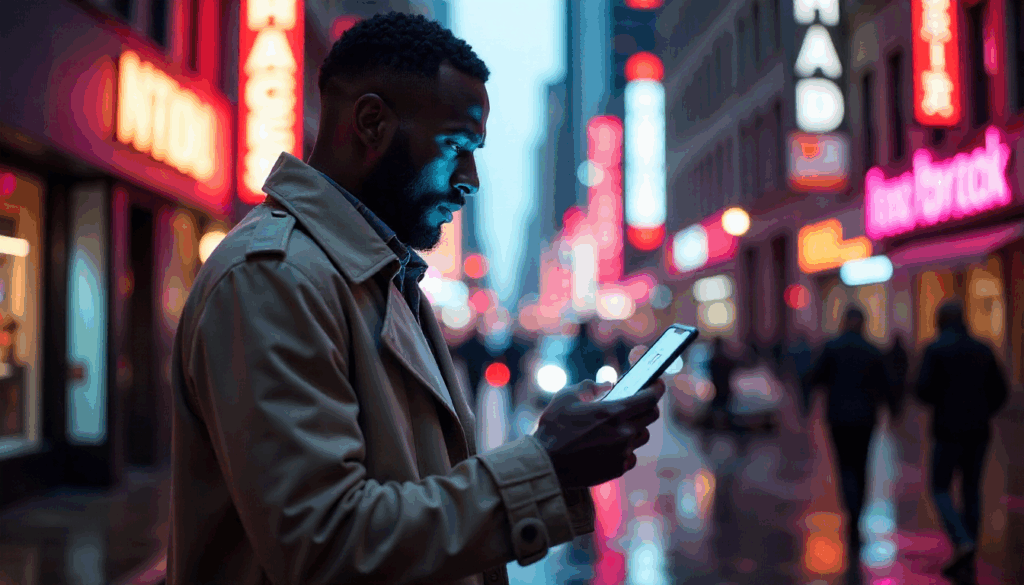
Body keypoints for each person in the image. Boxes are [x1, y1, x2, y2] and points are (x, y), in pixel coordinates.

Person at [168, 13, 665, 585]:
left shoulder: (378, 276)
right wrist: (546, 464)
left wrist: (550, 452)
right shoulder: (272, 278)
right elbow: (325, 546)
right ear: (371, 122)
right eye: (456, 145)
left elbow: (411, 484)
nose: (470, 178)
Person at [916, 301, 1008, 582]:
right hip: (978, 431)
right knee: (972, 490)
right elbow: (1000, 391)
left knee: (940, 487)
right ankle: (969, 548)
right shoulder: (983, 348)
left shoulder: (934, 350)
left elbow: (923, 390)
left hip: (947, 430)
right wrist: (982, 410)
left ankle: (961, 540)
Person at [805, 307, 898, 584]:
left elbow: (814, 377)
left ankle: (852, 515)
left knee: (845, 467)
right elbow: (888, 386)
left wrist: (806, 405)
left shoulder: (832, 348)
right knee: (861, 466)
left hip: (839, 419)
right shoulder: (872, 350)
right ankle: (857, 514)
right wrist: (894, 412)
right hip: (865, 419)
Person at [706, 337, 738, 428]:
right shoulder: (725, 359)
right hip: (724, 389)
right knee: (727, 411)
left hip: (718, 389)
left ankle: (712, 430)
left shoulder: (713, 359)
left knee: (716, 410)